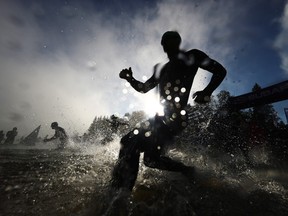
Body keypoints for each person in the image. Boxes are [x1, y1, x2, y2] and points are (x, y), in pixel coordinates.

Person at [111, 31, 227, 191]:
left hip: (177, 118)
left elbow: (220, 71)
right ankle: (187, 170)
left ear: (178, 42)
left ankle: (119, 194)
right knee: (150, 160)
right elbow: (144, 88)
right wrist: (130, 78)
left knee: (130, 142)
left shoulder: (192, 56)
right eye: (165, 43)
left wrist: (207, 91)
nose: (167, 45)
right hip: (159, 117)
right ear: (163, 47)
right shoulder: (162, 69)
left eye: (171, 41)